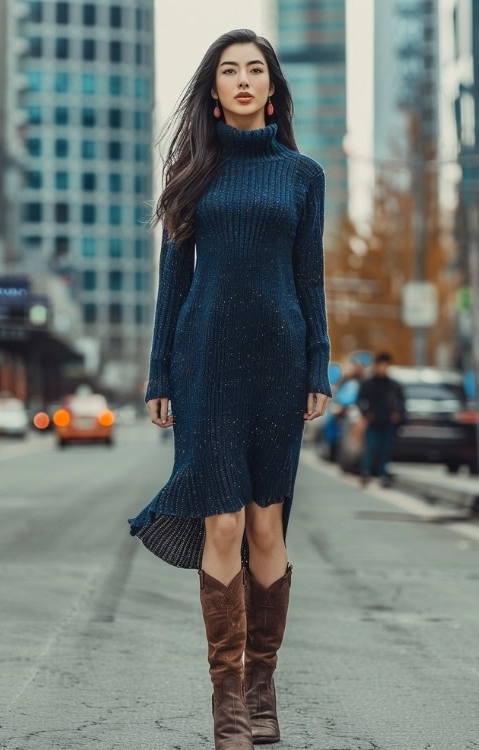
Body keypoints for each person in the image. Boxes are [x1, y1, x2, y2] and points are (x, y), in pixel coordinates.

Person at [127, 29, 332, 749]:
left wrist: (318, 366)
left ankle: (262, 687)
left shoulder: (303, 176)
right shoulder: (189, 176)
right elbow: (171, 285)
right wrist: (159, 372)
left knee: (267, 527)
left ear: (271, 89)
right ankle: (228, 706)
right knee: (223, 524)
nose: (242, 80)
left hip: (278, 364)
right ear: (212, 92)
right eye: (228, 71)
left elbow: (310, 280)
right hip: (204, 362)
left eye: (254, 70)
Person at [356, 352, 405, 487]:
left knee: (386, 449)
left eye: (385, 365)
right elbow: (360, 401)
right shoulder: (368, 384)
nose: (383, 368)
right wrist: (366, 414)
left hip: (388, 422)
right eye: (381, 365)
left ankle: (383, 474)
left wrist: (398, 414)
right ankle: (366, 472)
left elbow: (401, 403)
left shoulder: (394, 385)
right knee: (372, 447)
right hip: (373, 422)